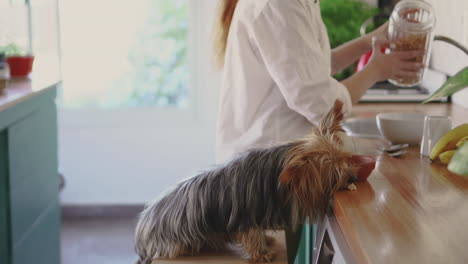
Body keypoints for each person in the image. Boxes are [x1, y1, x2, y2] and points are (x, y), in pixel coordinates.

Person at [213, 0, 424, 162]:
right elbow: (321, 104)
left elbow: (311, 65)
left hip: (272, 159)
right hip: (263, 170)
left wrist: (370, 40)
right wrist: (376, 70)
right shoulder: (280, 4)